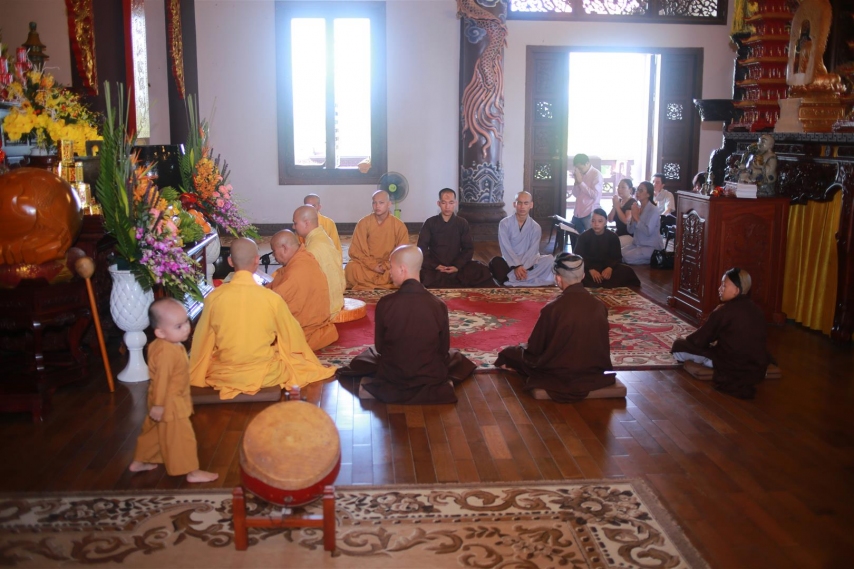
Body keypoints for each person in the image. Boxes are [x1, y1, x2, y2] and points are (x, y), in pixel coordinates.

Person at [189, 238, 336, 399]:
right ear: (257, 261)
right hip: (266, 375)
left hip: (224, 375)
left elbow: (202, 342)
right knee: (285, 356)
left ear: (230, 261)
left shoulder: (213, 298)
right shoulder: (272, 299)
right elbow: (293, 339)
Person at [338, 245, 476, 404]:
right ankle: (436, 389)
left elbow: (380, 348)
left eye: (391, 267)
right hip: (429, 375)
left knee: (364, 359)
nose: (389, 272)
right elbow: (443, 349)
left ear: (402, 269)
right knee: (457, 358)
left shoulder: (385, 303)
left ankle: (389, 390)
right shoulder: (438, 304)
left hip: (394, 375)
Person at [494, 253, 615, 402]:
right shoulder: (599, 306)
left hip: (557, 371)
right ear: (583, 276)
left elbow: (535, 348)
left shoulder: (552, 308)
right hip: (592, 370)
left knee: (508, 354)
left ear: (558, 278)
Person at [129, 298, 218, 483]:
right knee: (182, 438)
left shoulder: (159, 345)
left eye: (186, 322)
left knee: (154, 432)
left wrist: (156, 404)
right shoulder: (167, 353)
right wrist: (160, 405)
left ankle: (140, 461)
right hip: (170, 403)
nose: (186, 328)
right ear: (160, 332)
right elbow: (162, 380)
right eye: (178, 326)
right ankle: (192, 472)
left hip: (159, 400)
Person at [671, 268, 769, 399]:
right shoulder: (758, 310)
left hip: (730, 363)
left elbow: (698, 340)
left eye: (724, 285)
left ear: (736, 290)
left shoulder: (724, 311)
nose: (719, 289)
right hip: (757, 366)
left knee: (678, 346)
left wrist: (713, 316)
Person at [268, 230, 338, 350]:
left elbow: (274, 302)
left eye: (274, 251)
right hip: (315, 327)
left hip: (302, 332)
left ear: (284, 248)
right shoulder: (303, 258)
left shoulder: (297, 271)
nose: (273, 256)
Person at [417, 188, 493, 288]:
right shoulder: (430, 223)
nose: (447, 206)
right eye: (444, 203)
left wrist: (457, 266)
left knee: (481, 271)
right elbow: (421, 248)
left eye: (451, 202)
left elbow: (468, 249)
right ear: (438, 203)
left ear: (455, 203)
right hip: (435, 267)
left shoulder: (462, 223)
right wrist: (435, 265)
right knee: (423, 276)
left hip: (457, 265)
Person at [345, 189, 409, 290]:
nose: (377, 206)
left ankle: (367, 285)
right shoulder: (364, 223)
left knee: (403, 269)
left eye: (381, 203)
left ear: (389, 204)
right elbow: (355, 250)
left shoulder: (399, 226)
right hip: (367, 266)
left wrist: (385, 266)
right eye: (374, 203)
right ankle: (383, 285)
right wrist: (373, 265)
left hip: (388, 267)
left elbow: (402, 253)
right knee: (351, 267)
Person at [490, 190, 555, 287]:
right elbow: (506, 248)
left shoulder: (536, 227)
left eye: (526, 203)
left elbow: (532, 252)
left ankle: (514, 278)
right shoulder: (504, 223)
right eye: (519, 203)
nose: (522, 206)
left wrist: (521, 267)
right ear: (514, 204)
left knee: (550, 260)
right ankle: (523, 277)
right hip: (510, 262)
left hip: (529, 263)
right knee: (495, 262)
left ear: (531, 205)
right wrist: (516, 265)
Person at [292, 205, 345, 317]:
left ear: (306, 223)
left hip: (325, 307)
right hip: (337, 300)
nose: (293, 227)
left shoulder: (312, 249)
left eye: (295, 223)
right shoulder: (323, 238)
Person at [575, 209, 640, 288]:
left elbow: (617, 257)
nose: (596, 224)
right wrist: (590, 269)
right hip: (589, 268)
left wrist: (610, 268)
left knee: (627, 271)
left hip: (606, 267)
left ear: (605, 222)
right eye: (593, 221)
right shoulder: (583, 237)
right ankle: (603, 283)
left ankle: (600, 282)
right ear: (590, 222)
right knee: (576, 273)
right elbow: (578, 257)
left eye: (600, 221)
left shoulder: (613, 237)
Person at [621, 181, 665, 265]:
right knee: (618, 253)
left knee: (626, 257)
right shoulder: (638, 208)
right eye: (637, 190)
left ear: (648, 194)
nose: (637, 192)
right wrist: (633, 217)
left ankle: (652, 259)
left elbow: (648, 231)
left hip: (650, 247)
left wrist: (636, 217)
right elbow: (630, 230)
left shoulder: (653, 209)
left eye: (641, 190)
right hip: (637, 245)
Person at [570, 153, 604, 235]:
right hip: (577, 212)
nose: (579, 170)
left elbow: (595, 195)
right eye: (577, 168)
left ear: (587, 163)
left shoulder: (596, 174)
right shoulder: (579, 174)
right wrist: (576, 182)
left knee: (591, 238)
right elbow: (575, 194)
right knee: (575, 237)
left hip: (589, 212)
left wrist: (581, 182)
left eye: (580, 168)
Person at [608, 178, 637, 247]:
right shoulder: (619, 201)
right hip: (619, 233)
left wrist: (617, 207)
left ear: (630, 190)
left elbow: (626, 221)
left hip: (629, 235)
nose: (619, 189)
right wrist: (614, 206)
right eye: (618, 187)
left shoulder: (632, 202)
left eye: (623, 187)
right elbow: (610, 219)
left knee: (611, 245)